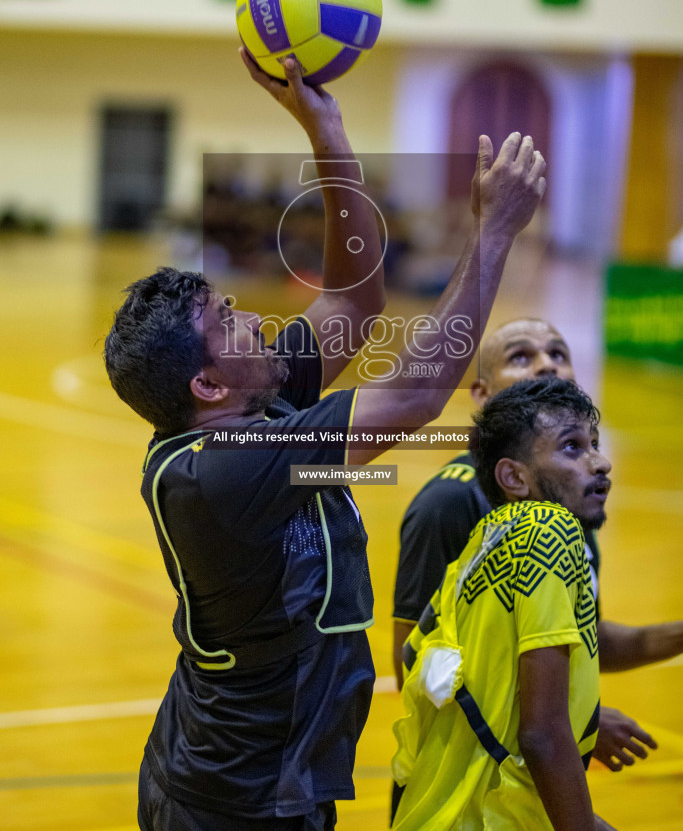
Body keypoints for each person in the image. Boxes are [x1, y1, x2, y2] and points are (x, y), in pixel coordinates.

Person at [104, 48, 546, 830]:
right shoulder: (220, 472)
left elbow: (352, 299)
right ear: (207, 386)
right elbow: (411, 392)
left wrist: (326, 131)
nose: (252, 316)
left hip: (275, 774)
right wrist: (495, 233)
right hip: (235, 800)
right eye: (228, 322)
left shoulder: (255, 399)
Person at [393, 316, 683, 771]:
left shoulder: (569, 495)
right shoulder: (448, 503)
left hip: (528, 780)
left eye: (558, 354)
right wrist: (569, 722)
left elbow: (586, 639)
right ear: (482, 393)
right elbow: (413, 662)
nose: (546, 365)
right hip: (458, 780)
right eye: (522, 356)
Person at [391, 378, 616, 831]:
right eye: (572, 448)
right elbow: (541, 734)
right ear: (514, 477)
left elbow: (415, 654)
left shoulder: (482, 543)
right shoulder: (549, 531)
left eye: (594, 444)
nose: (601, 463)